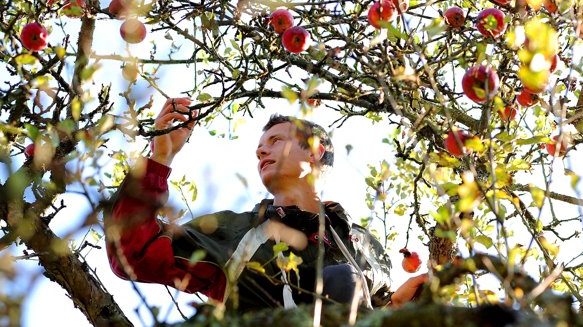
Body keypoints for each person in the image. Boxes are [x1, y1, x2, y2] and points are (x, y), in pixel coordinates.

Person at [104, 97, 426, 312]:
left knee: (346, 279)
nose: (261, 152)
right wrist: (161, 157)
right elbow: (134, 253)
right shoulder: (236, 232)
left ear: (315, 150)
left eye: (275, 141)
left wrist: (400, 302)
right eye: (259, 149)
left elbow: (377, 312)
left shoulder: (364, 246)